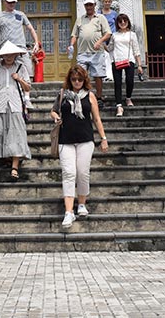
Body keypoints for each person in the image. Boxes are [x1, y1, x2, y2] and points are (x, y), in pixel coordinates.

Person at [49, 65, 108, 230]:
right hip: (65, 139)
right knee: (69, 173)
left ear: (84, 80)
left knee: (82, 172)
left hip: (85, 139)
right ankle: (69, 211)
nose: (77, 82)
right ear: (70, 80)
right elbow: (53, 111)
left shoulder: (90, 96)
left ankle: (81, 203)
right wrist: (55, 117)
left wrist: (103, 138)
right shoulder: (62, 94)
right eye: (74, 79)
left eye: (80, 79)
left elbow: (96, 119)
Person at [0, 40, 32, 181]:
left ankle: (14, 167)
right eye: (6, 54)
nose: (9, 57)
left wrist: (19, 79)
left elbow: (28, 88)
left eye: (12, 54)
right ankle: (6, 158)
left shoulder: (21, 67)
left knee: (16, 133)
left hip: (15, 104)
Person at [0, 0, 39, 81]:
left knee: (28, 72)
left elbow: (31, 29)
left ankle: (26, 93)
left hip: (20, 49)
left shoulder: (21, 15)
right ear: (4, 2)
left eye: (13, 2)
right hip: (6, 50)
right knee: (6, 73)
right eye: (9, 2)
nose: (11, 4)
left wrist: (36, 43)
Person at [69, 0, 112, 102]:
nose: (89, 7)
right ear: (84, 6)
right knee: (79, 75)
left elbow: (108, 33)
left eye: (90, 5)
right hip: (82, 52)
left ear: (94, 5)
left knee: (98, 75)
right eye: (87, 5)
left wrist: (99, 41)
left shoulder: (101, 18)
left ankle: (99, 96)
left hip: (97, 52)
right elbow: (75, 35)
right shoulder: (80, 19)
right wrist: (71, 45)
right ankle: (81, 96)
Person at [108, 14, 144, 117]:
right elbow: (110, 48)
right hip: (116, 60)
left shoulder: (132, 34)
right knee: (117, 83)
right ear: (118, 24)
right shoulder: (114, 35)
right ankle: (119, 106)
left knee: (129, 81)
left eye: (125, 21)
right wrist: (101, 43)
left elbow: (136, 50)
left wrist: (139, 65)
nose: (123, 23)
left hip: (129, 60)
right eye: (120, 22)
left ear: (128, 22)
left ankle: (128, 98)